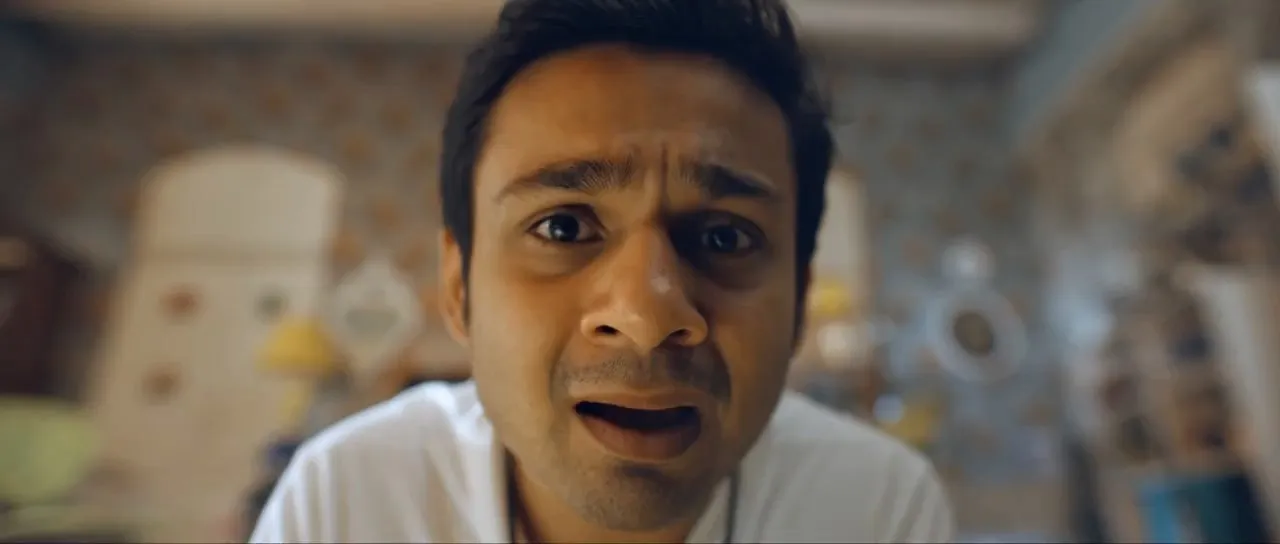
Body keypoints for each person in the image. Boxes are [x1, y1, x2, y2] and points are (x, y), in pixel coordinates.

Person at [250, 0, 954, 542]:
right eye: (563, 227)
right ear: (460, 290)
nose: (647, 317)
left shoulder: (878, 509)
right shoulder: (347, 502)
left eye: (724, 236)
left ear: (799, 301)